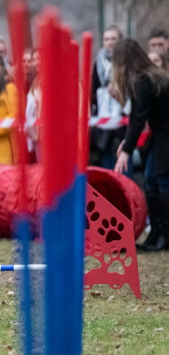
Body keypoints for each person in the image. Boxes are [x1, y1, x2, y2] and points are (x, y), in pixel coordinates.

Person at [112, 39, 169, 252]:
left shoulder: (143, 80)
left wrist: (127, 151)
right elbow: (138, 116)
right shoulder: (148, 76)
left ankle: (164, 235)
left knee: (159, 181)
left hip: (164, 135)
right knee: (151, 180)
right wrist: (128, 142)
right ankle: (156, 233)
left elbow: (138, 117)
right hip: (160, 134)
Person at [90, 26, 130, 174]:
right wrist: (103, 95)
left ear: (120, 41)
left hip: (124, 120)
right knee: (106, 165)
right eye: (107, 39)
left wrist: (120, 93)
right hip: (104, 121)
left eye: (113, 39)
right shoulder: (98, 62)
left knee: (125, 164)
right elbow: (93, 91)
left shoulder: (128, 62)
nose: (110, 42)